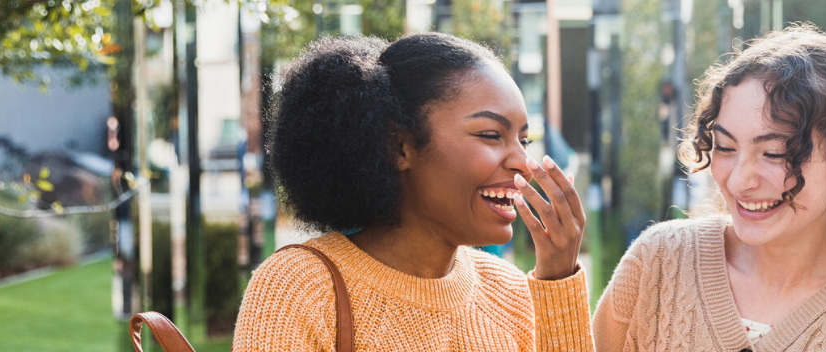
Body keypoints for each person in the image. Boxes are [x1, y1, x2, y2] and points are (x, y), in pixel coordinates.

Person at [592, 24, 826, 351]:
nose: (738, 180)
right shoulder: (658, 260)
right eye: (726, 147)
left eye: (776, 154)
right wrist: (556, 277)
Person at [233, 34, 592, 351]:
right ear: (399, 146)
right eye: (491, 135)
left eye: (524, 140)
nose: (523, 162)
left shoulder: (509, 292)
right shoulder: (300, 289)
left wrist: (559, 284)